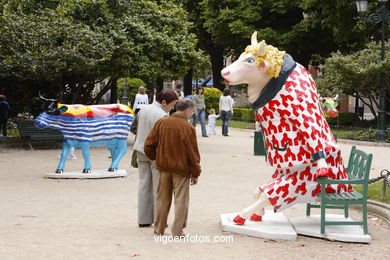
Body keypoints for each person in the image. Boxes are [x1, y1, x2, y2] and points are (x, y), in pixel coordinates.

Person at [144, 98, 201, 236]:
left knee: (163, 199)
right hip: (181, 169)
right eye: (192, 112)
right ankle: (177, 230)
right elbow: (192, 153)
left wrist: (156, 158)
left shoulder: (162, 122)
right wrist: (196, 172)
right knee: (181, 200)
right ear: (187, 110)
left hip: (164, 167)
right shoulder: (188, 127)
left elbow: (148, 145)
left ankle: (159, 227)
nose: (192, 114)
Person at [133, 89, 178, 228]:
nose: (173, 107)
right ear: (164, 102)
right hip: (156, 153)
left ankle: (144, 219)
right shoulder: (162, 116)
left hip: (140, 149)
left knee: (143, 184)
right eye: (172, 104)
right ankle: (159, 219)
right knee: (159, 187)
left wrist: (142, 136)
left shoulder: (143, 109)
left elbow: (133, 127)